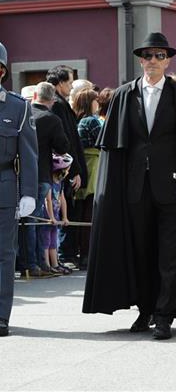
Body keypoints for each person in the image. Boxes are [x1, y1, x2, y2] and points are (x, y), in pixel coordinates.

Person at [83, 32, 176, 340]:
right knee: (141, 251)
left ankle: (164, 314)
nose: (153, 61)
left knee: (169, 252)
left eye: (159, 56)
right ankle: (144, 309)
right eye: (148, 56)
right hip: (134, 188)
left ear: (168, 60)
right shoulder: (123, 95)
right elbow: (114, 151)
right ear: (140, 60)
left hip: (172, 189)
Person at [0, 41, 38, 337]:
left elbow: (28, 152)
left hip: (4, 186)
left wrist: (28, 192)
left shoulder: (17, 106)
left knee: (4, 254)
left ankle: (1, 316)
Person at [19, 82, 69, 278]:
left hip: (19, 173)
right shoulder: (52, 119)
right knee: (36, 221)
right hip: (41, 174)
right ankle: (35, 265)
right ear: (52, 100)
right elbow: (62, 147)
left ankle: (27, 263)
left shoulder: (23, 113)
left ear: (34, 96)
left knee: (25, 221)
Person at [46, 65, 87, 266]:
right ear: (60, 82)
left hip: (66, 167)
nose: (71, 87)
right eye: (69, 82)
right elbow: (67, 141)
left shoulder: (61, 104)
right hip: (65, 168)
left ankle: (65, 255)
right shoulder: (59, 105)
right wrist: (74, 170)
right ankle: (65, 255)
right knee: (65, 212)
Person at [72, 88, 102, 270]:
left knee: (84, 213)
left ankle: (83, 254)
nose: (98, 103)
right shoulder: (91, 121)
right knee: (90, 214)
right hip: (94, 167)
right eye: (95, 100)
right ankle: (88, 254)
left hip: (86, 167)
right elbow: (104, 140)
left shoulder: (79, 121)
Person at [40, 153, 73, 275]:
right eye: (67, 170)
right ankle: (47, 266)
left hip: (56, 217)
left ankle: (55, 264)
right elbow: (47, 200)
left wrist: (64, 217)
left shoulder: (61, 183)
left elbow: (62, 199)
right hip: (47, 216)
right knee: (46, 241)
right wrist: (51, 217)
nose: (68, 173)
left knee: (54, 241)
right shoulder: (49, 183)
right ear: (61, 170)